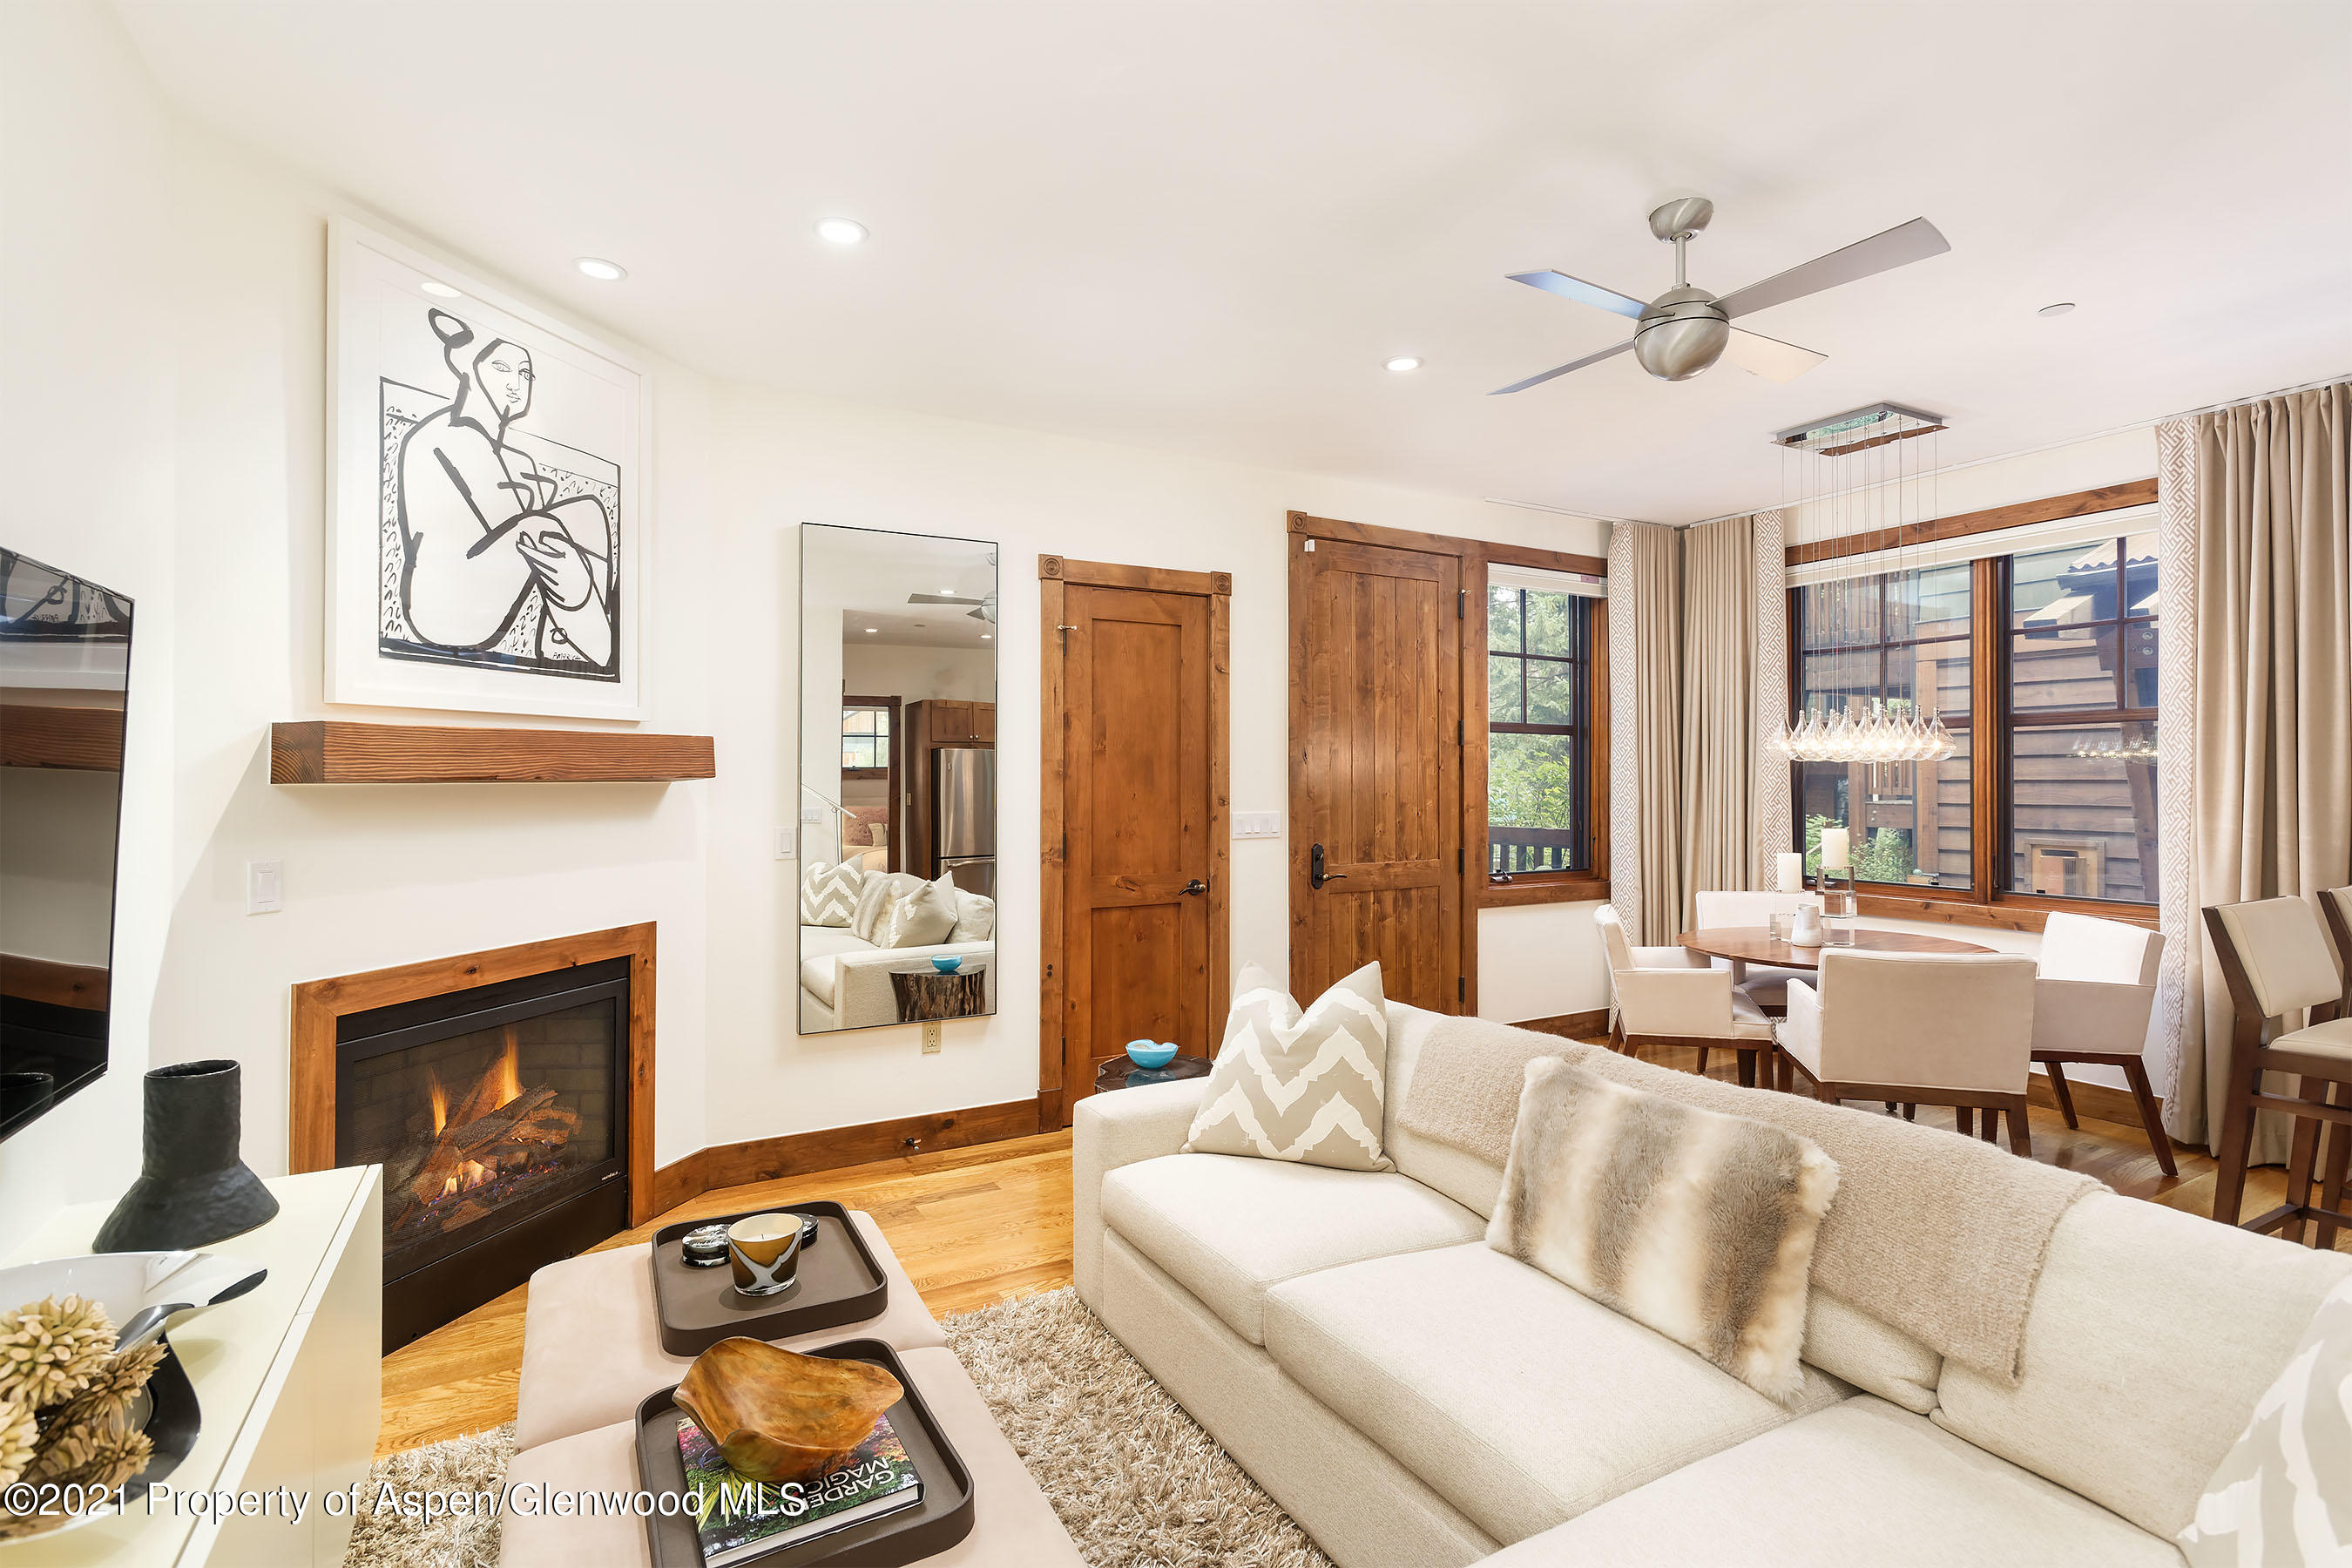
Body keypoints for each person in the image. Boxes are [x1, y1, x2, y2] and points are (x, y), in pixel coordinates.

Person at [394, 309, 613, 669]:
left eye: (525, 373)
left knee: (586, 510)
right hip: (447, 598)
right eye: (501, 368)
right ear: (470, 369)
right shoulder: (438, 439)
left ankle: (565, 641)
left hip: (495, 590)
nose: (517, 383)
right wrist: (574, 584)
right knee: (538, 527)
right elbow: (510, 538)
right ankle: (592, 636)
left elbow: (527, 558)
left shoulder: (521, 462)